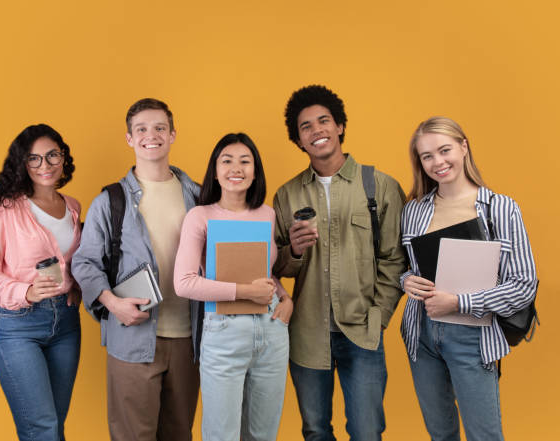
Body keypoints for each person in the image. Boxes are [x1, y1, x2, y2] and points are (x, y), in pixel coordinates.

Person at [273, 85, 406, 441]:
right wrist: (295, 253)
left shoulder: (380, 187)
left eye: (324, 121)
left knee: (367, 432)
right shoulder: (287, 194)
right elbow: (276, 267)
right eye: (305, 127)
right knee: (315, 431)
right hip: (307, 333)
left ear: (340, 126)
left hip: (362, 332)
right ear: (298, 140)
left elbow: (394, 259)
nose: (316, 130)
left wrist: (378, 317)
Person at [400, 116, 537, 441]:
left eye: (444, 150)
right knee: (440, 434)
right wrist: (406, 280)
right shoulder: (414, 209)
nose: (438, 162)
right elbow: (403, 267)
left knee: (484, 436)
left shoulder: (499, 208)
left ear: (463, 147)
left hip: (473, 339)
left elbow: (524, 285)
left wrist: (459, 302)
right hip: (422, 334)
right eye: (427, 156)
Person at [72, 98, 202, 441]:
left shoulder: (200, 197)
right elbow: (84, 262)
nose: (151, 135)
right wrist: (113, 304)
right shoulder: (110, 201)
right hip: (132, 340)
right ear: (129, 139)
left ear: (173, 134)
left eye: (160, 127)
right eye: (141, 129)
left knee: (179, 434)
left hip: (190, 340)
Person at [174, 132, 293, 441]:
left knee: (262, 434)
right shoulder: (200, 216)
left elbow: (265, 273)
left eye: (245, 161)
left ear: (255, 171)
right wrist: (245, 292)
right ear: (215, 171)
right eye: (226, 161)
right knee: (221, 434)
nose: (235, 168)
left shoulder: (267, 214)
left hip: (271, 330)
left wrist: (285, 297)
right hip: (224, 332)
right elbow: (184, 282)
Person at [0, 124, 82, 441]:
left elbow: (75, 263)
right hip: (17, 327)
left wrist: (76, 287)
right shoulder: (5, 210)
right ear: (22, 163)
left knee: (55, 425)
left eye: (52, 156)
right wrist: (27, 291)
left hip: (65, 324)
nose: (45, 166)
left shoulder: (73, 207)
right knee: (42, 429)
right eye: (34, 159)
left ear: (63, 157)